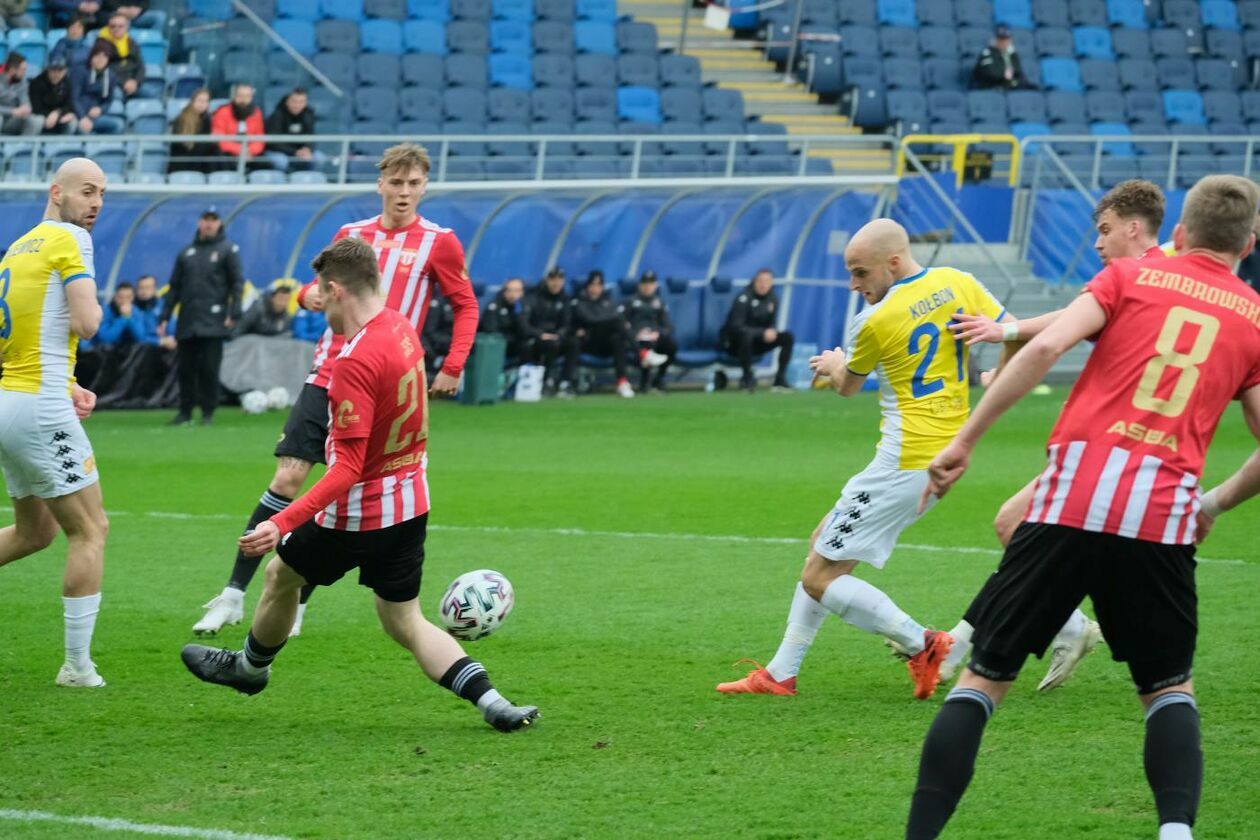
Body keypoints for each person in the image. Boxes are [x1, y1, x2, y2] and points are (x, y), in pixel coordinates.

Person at [905, 175, 1260, 840]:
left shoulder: (1130, 279)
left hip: (1069, 502)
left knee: (983, 681)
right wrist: (1212, 501)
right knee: (1168, 690)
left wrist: (964, 442)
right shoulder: (1254, 319)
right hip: (1160, 517)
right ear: (1251, 241)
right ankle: (1175, 833)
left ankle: (920, 835)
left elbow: (1043, 347)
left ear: (1180, 233)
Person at [180, 238, 537, 732]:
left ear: (336, 291)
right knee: (404, 620)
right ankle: (494, 701)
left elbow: (347, 468)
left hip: (357, 513)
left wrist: (279, 523)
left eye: (320, 296)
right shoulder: (402, 327)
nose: (317, 304)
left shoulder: (352, 362)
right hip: (411, 503)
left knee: (280, 575)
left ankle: (249, 669)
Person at [715, 219, 1014, 701]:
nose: (855, 285)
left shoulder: (875, 320)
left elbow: (847, 385)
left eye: (860, 273)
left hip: (903, 463)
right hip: (944, 454)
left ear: (892, 262)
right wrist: (994, 377)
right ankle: (780, 671)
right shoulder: (958, 283)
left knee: (818, 576)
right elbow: (1012, 333)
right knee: (822, 546)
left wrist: (834, 363)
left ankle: (924, 643)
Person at [191, 143, 479, 637]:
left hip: (384, 386)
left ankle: (297, 594)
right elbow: (312, 291)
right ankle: (233, 594)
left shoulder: (440, 242)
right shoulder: (351, 236)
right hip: (329, 373)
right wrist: (309, 295)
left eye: (413, 184)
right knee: (288, 478)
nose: (404, 192)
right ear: (380, 184)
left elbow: (465, 305)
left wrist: (453, 365)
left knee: (350, 489)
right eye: (396, 182)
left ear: (425, 186)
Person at [932, 179, 1171, 691]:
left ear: (1133, 227)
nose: (1098, 243)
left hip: (1110, 447)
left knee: (1024, 530)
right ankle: (1077, 634)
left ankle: (971, 660)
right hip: (1148, 451)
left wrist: (1007, 341)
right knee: (1024, 530)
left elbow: (1060, 333)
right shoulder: (1169, 278)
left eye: (1105, 230)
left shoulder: (1133, 277)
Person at [0, 158, 110, 688]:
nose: (95, 204)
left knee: (32, 533)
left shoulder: (17, 248)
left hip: (10, 400)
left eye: (102, 195)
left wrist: (66, 383)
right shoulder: (71, 240)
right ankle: (78, 667)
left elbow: (20, 337)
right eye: (87, 192)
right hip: (40, 408)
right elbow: (87, 324)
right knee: (90, 530)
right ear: (56, 192)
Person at [157, 208, 245, 427]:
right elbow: (174, 287)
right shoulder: (186, 252)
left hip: (213, 320)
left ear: (219, 223)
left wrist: (234, 312)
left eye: (213, 220)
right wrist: (165, 316)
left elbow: (237, 283)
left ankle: (208, 412)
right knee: (185, 369)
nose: (209, 224)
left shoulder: (228, 250)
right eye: (205, 219)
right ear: (199, 222)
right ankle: (185, 411)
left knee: (209, 368)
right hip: (188, 319)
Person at [721, 268, 794, 392]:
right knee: (747, 336)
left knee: (787, 337)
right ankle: (747, 378)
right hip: (735, 344)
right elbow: (736, 327)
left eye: (767, 281)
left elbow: (771, 322)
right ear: (754, 281)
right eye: (760, 280)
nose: (763, 284)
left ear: (771, 283)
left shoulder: (772, 299)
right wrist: (762, 332)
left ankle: (779, 379)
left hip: (758, 342)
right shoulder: (743, 298)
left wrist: (771, 330)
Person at [563, 271, 634, 398]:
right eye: (592, 285)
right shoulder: (579, 302)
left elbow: (611, 317)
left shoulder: (608, 302)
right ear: (587, 286)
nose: (595, 288)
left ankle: (622, 382)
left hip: (605, 345)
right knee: (617, 323)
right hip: (588, 343)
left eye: (598, 285)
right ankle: (642, 353)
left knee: (617, 338)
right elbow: (591, 320)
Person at [623, 270, 675, 393]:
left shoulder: (659, 302)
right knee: (646, 343)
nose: (648, 286)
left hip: (655, 336)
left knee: (672, 345)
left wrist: (658, 333)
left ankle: (659, 379)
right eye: (645, 283)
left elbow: (668, 326)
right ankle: (645, 383)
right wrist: (636, 333)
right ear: (640, 285)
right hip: (636, 339)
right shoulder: (630, 301)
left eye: (651, 283)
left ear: (655, 285)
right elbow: (622, 323)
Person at [524, 267, 573, 396]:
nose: (556, 283)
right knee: (551, 345)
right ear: (547, 280)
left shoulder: (565, 299)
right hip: (538, 337)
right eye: (553, 279)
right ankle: (545, 381)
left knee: (573, 343)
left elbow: (567, 323)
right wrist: (540, 334)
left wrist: (560, 334)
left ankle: (565, 382)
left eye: (559, 279)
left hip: (556, 337)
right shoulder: (534, 297)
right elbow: (525, 323)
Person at [263, 87, 320, 173]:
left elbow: (310, 136)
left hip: (300, 151)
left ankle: (308, 181)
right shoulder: (277, 115)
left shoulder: (308, 114)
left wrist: (308, 149)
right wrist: (295, 152)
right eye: (294, 101)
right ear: (287, 101)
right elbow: (273, 142)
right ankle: (282, 182)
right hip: (279, 151)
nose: (297, 105)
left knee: (319, 158)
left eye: (301, 102)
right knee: (281, 161)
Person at [70, 44, 124, 135]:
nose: (100, 60)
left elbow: (109, 100)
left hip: (95, 117)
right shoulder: (79, 71)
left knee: (118, 125)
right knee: (83, 129)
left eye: (104, 57)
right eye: (97, 56)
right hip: (78, 115)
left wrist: (101, 109)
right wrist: (82, 117)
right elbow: (73, 98)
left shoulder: (110, 76)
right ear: (91, 57)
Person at [210, 83, 265, 169]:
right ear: (234, 96)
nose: (243, 100)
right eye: (240, 96)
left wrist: (249, 151)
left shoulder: (257, 113)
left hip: (250, 152)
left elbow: (260, 138)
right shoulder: (222, 112)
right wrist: (241, 150)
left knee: (267, 165)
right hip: (228, 152)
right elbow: (219, 139)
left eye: (247, 96)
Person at [93, 12, 143, 99]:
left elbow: (140, 65)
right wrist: (123, 82)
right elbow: (103, 69)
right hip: (112, 83)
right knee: (117, 95)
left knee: (150, 93)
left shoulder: (131, 42)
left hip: (132, 82)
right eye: (113, 26)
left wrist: (136, 81)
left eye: (120, 26)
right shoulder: (101, 44)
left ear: (126, 27)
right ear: (108, 27)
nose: (116, 29)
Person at [480, 277, 530, 362]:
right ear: (505, 291)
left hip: (515, 343)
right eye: (510, 290)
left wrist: (518, 310)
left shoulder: (523, 306)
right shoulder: (494, 306)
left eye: (517, 291)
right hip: (498, 343)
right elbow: (490, 329)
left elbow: (524, 329)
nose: (513, 294)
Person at [971, 24, 1034, 91]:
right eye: (1001, 39)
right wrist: (1005, 74)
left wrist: (1013, 80)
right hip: (991, 88)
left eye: (1007, 39)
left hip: (1009, 87)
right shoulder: (987, 53)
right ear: (996, 39)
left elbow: (1018, 71)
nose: (1004, 42)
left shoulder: (1012, 54)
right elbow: (991, 74)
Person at [95, 281, 158, 346]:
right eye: (120, 297)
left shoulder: (136, 311)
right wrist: (123, 318)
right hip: (103, 352)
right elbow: (105, 339)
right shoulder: (106, 310)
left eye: (128, 297)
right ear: (115, 297)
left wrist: (129, 318)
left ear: (133, 298)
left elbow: (141, 338)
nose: (124, 301)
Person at [168, 88, 214, 174]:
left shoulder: (207, 119)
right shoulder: (182, 118)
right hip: (183, 159)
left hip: (199, 159)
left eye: (206, 101)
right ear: (193, 101)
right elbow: (181, 145)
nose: (202, 104)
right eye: (200, 101)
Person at [29, 58, 79, 136]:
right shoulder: (37, 83)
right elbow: (36, 108)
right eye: (53, 70)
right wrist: (51, 115)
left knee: (72, 121)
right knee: (37, 120)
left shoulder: (67, 83)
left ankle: (62, 146)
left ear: (65, 71)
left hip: (59, 117)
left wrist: (57, 113)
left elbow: (70, 105)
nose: (56, 74)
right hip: (42, 116)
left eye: (60, 71)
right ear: (47, 70)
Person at [1, 53, 41, 137]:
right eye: (22, 70)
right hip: (3, 116)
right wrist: (11, 111)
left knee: (37, 121)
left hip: (12, 119)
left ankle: (21, 148)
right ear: (12, 70)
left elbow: (25, 100)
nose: (25, 72)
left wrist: (26, 108)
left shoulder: (22, 82)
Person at [420, 292, 455, 380]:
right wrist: (451, 343)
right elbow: (430, 332)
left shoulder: (462, 304)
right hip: (435, 353)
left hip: (455, 352)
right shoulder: (437, 304)